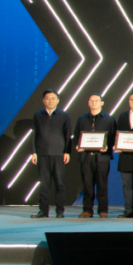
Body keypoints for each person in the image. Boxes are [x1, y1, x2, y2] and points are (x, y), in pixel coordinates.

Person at [73, 93, 115, 218]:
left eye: (96, 100)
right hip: (86, 157)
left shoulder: (110, 119)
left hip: (102, 157)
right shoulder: (82, 119)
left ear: (102, 103)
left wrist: (108, 146)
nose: (94, 103)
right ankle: (87, 210)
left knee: (102, 185)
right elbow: (76, 136)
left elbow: (114, 136)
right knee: (87, 185)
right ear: (88, 103)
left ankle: (103, 210)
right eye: (91, 101)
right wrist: (77, 145)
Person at [32, 89, 71, 219]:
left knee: (60, 183)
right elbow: (34, 135)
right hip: (42, 154)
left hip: (59, 154)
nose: (50, 101)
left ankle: (60, 211)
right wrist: (34, 152)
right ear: (43, 100)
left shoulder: (64, 115)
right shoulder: (38, 115)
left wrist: (67, 151)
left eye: (53, 98)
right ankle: (43, 211)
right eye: (47, 98)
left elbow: (68, 134)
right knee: (44, 184)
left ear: (57, 100)